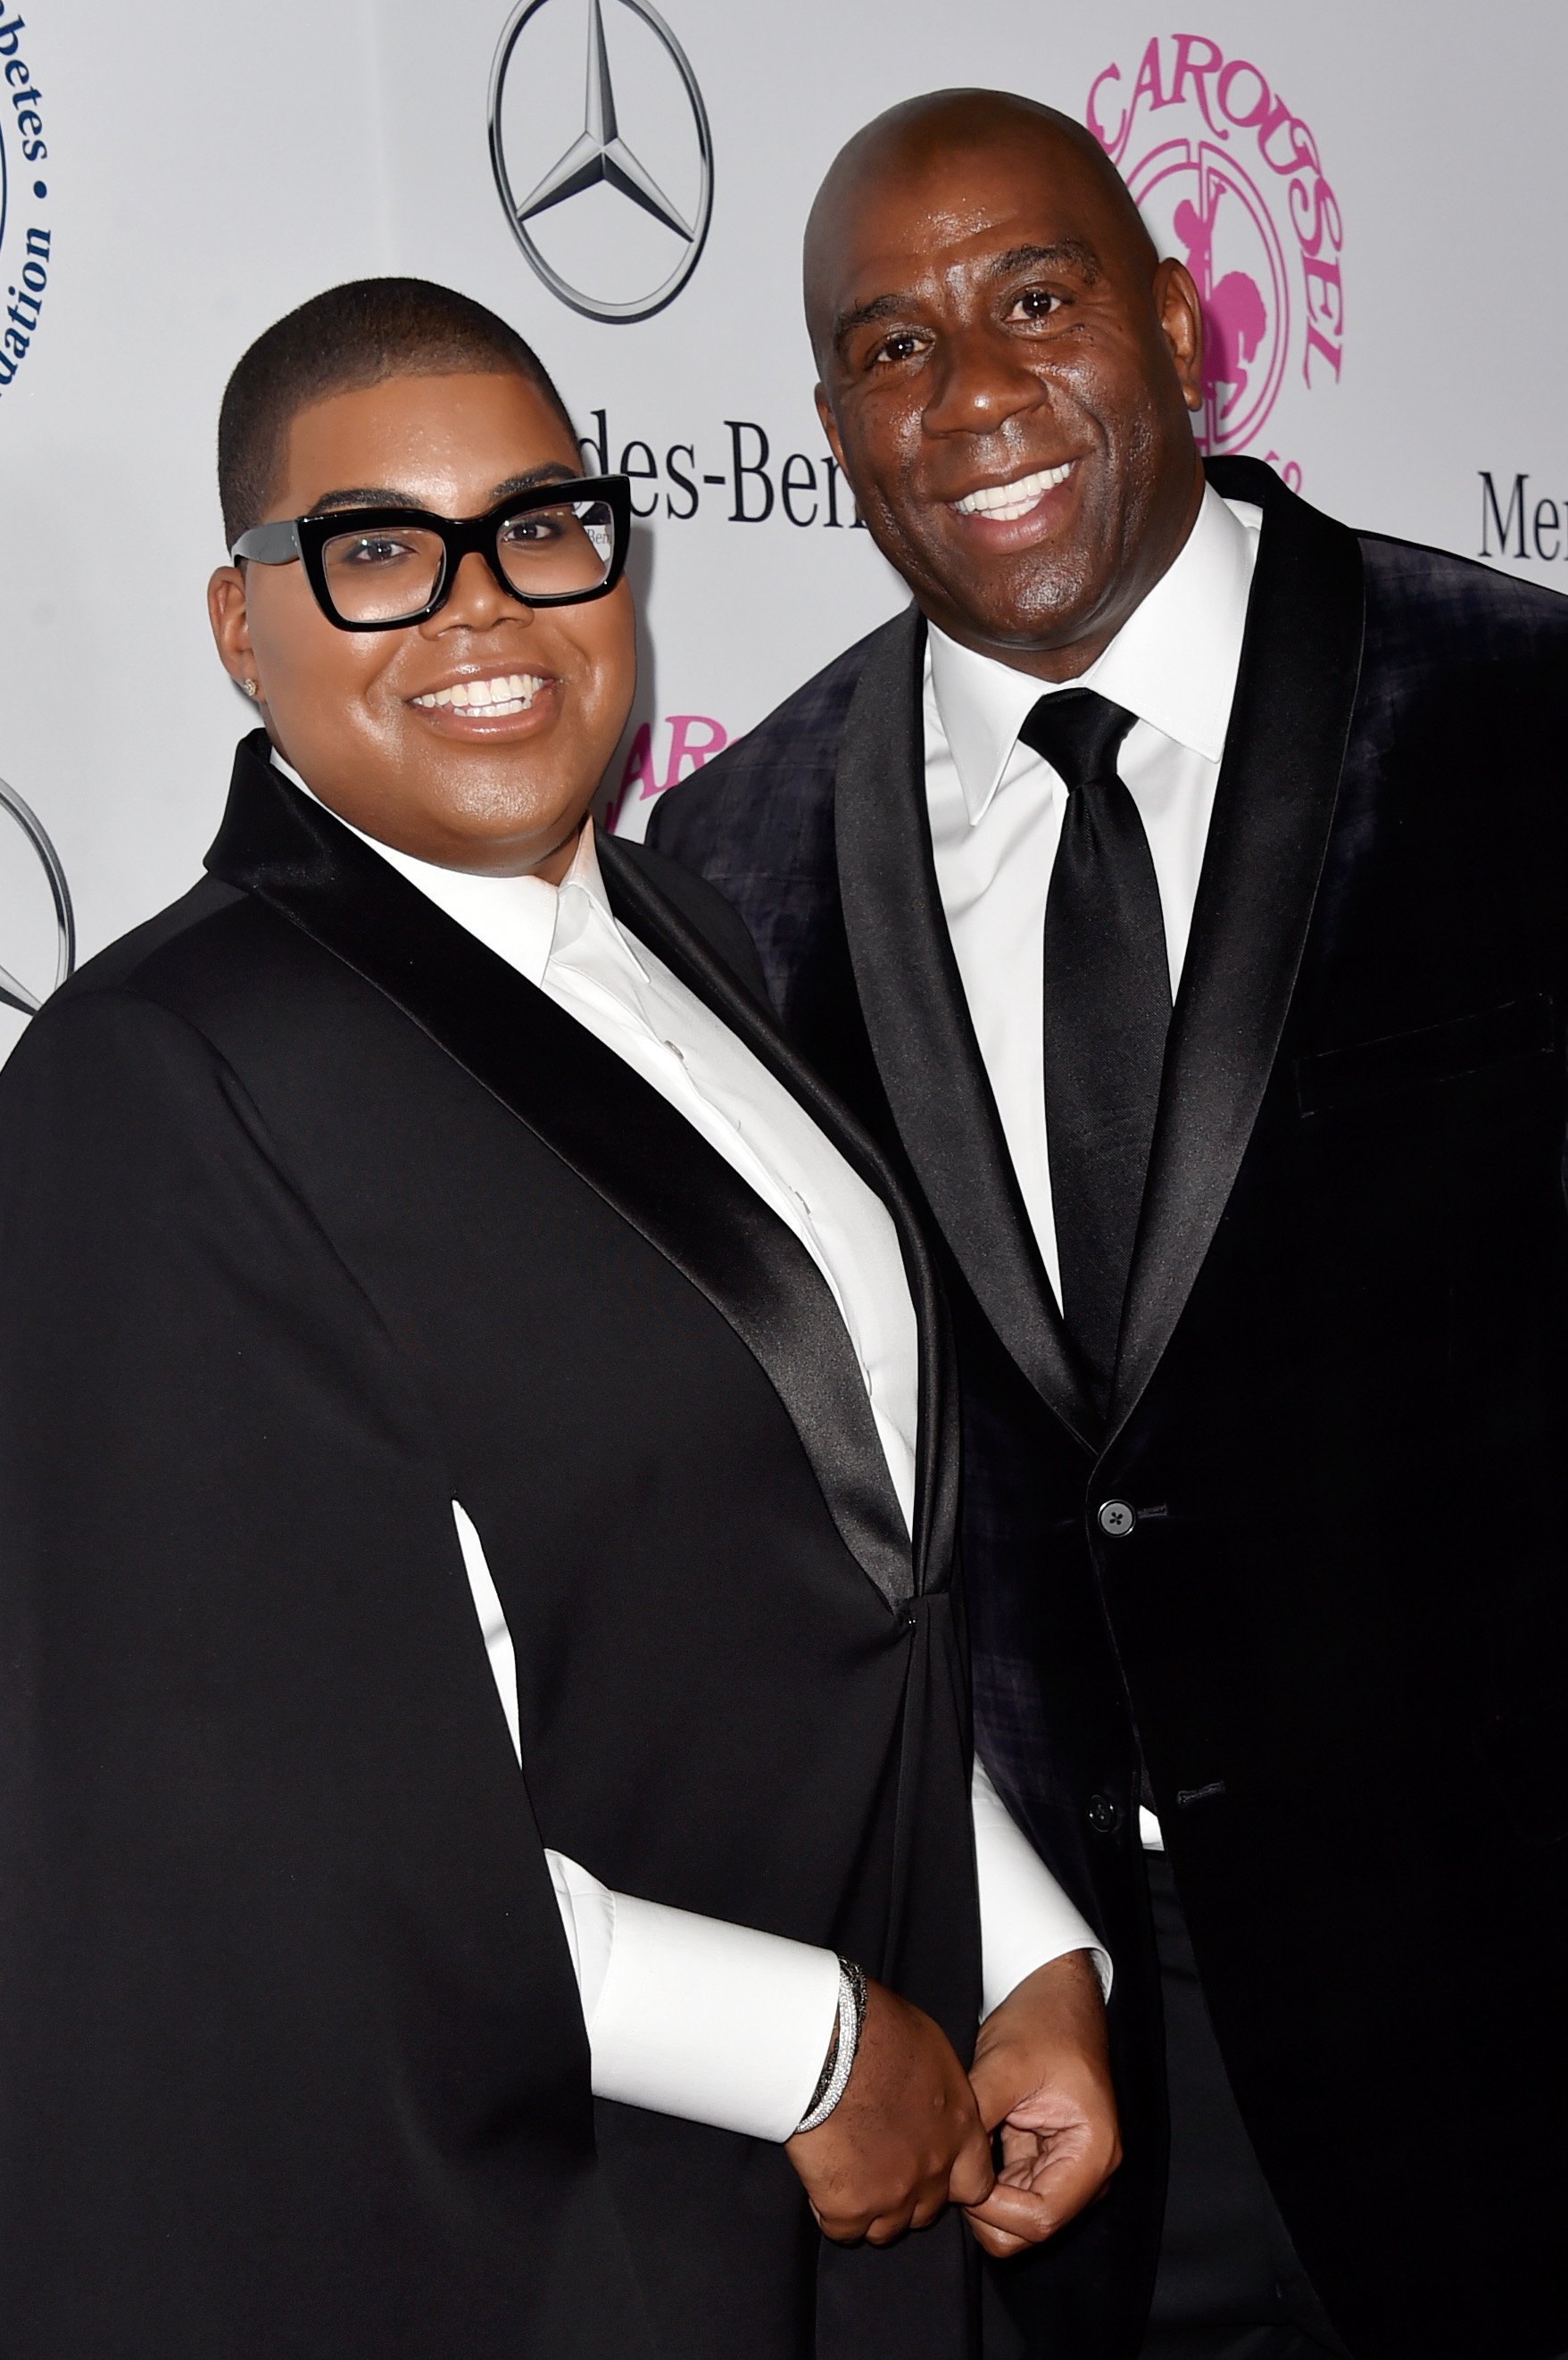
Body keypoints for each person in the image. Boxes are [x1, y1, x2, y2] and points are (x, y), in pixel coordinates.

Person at [0, 277, 1122, 2358]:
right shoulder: (155, 1081)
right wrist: (804, 2046)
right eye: (371, 550)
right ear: (240, 625)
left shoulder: (681, 924)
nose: (481, 605)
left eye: (537, 521)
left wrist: (1021, 1940)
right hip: (556, 2224)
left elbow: (828, 1566)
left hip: (883, 2176)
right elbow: (286, 1813)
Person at [650, 90, 1568, 2360]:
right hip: (1066, 2122)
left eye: (1032, 301)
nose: (968, 397)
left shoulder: (1530, 724)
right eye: (887, 348)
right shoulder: (727, 873)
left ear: (1178, 318)